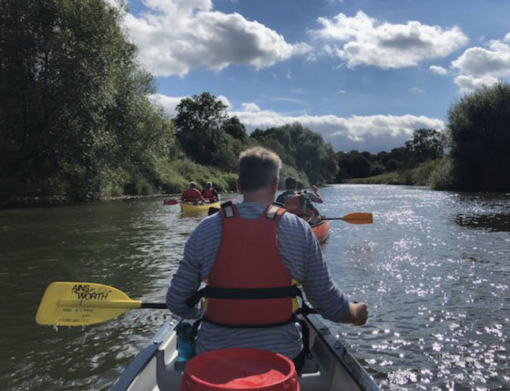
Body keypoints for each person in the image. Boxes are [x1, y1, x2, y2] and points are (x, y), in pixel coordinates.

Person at [167, 147, 368, 372]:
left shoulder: (206, 229)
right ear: (275, 184)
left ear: (238, 185)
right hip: (284, 359)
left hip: (214, 354)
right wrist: (355, 313)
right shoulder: (299, 229)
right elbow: (328, 304)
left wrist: (204, 313)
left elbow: (177, 301)